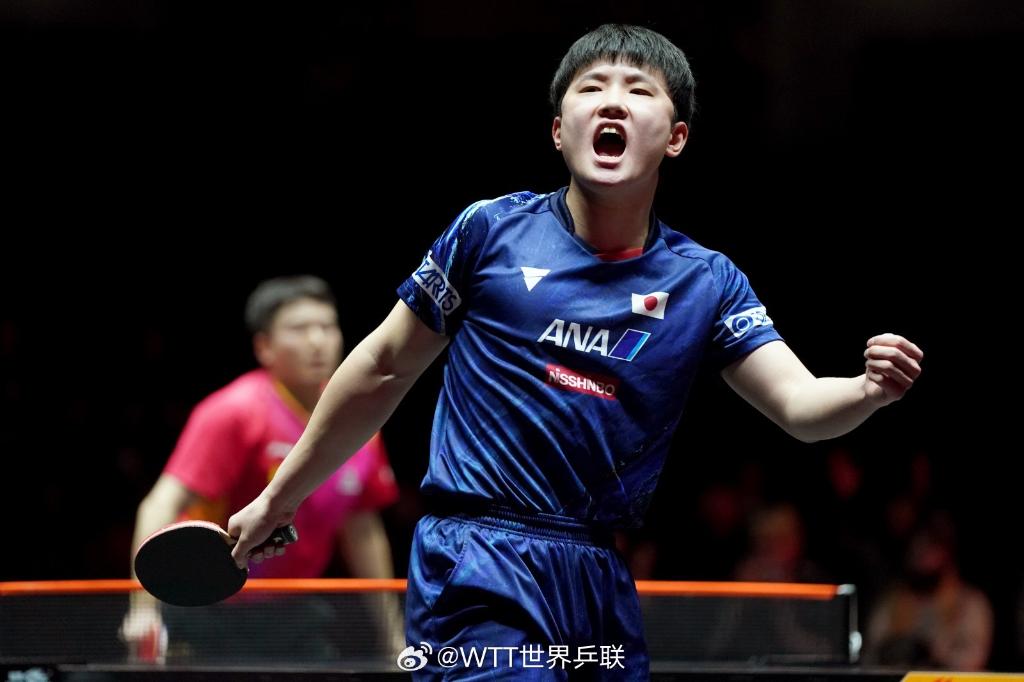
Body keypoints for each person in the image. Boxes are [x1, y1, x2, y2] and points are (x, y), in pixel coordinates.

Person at [228, 25, 923, 679]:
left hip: (596, 575)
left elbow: (800, 406)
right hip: (478, 558)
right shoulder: (489, 233)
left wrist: (865, 391)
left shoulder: (706, 282)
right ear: (560, 131)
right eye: (591, 87)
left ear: (676, 137)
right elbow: (382, 368)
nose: (613, 101)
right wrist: (279, 499)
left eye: (639, 89)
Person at [121, 275, 403, 662]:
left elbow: (362, 531)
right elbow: (160, 504)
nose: (317, 341)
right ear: (264, 346)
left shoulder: (359, 423)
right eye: (299, 329)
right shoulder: (234, 412)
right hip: (208, 607)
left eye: (327, 326)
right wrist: (142, 610)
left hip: (292, 608)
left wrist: (393, 633)